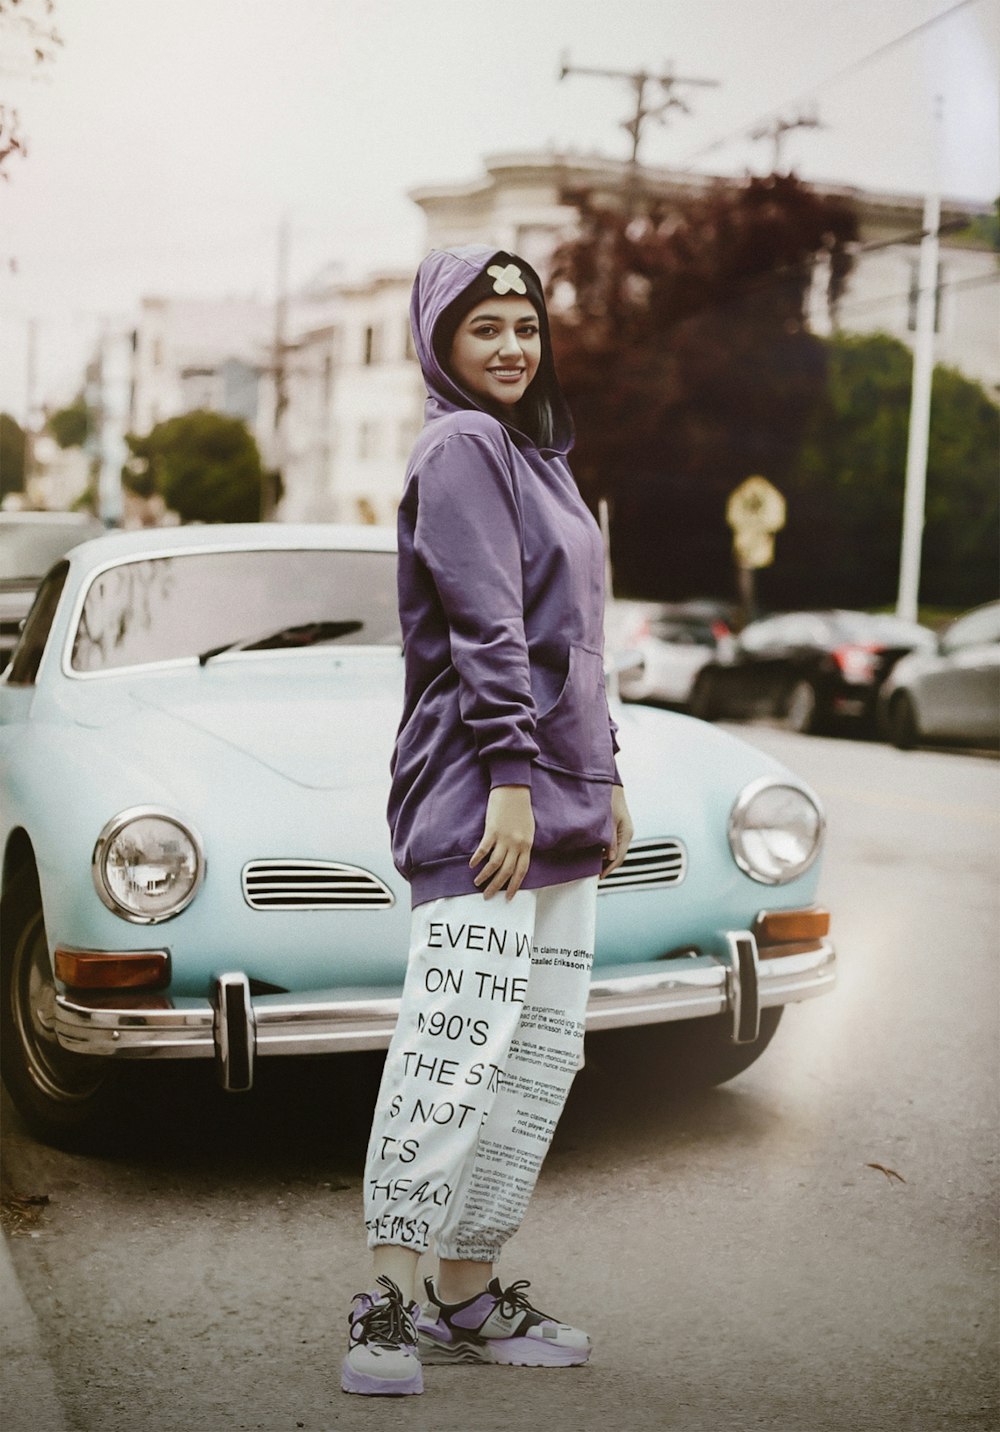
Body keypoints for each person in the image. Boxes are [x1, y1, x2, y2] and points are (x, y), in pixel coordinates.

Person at [341, 245, 634, 1398]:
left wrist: (604, 774)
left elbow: (584, 642)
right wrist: (514, 775)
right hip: (486, 796)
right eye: (483, 328)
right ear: (439, 343)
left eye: (524, 323)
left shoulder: (541, 456)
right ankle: (384, 1299)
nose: (511, 345)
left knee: (539, 1057)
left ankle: (465, 1294)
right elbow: (485, 624)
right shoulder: (461, 445)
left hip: (559, 795)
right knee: (452, 1051)